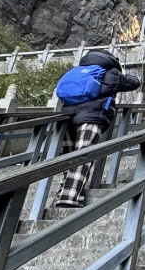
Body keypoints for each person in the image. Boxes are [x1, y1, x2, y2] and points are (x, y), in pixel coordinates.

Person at [55, 49, 140, 208]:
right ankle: (69, 197)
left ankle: (65, 192)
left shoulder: (77, 71)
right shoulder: (111, 72)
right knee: (84, 155)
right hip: (91, 117)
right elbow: (133, 82)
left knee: (68, 157)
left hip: (66, 117)